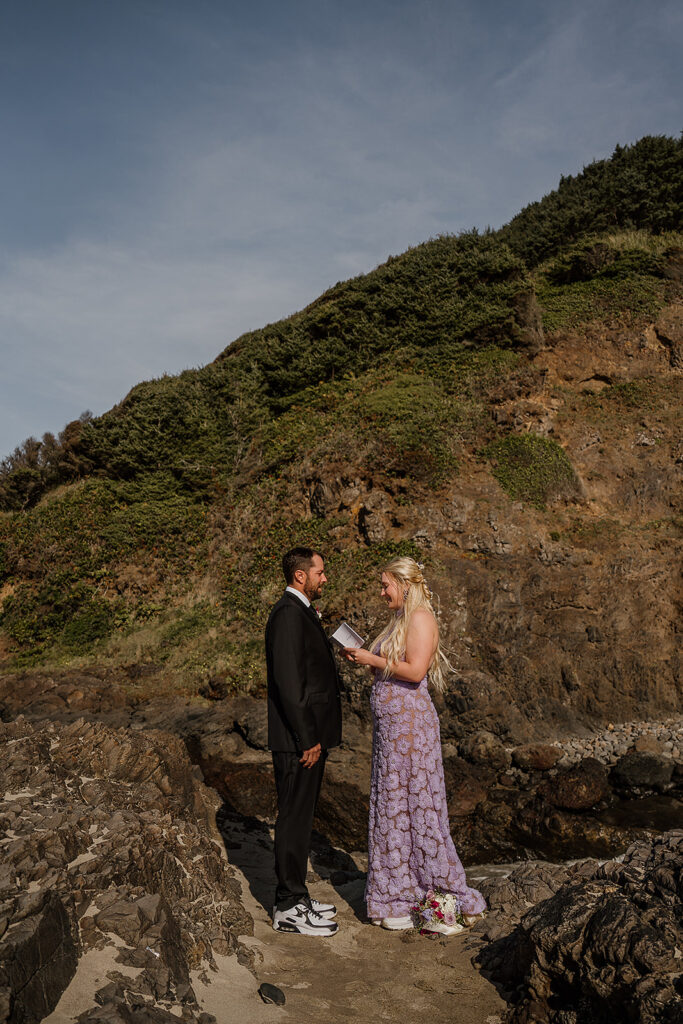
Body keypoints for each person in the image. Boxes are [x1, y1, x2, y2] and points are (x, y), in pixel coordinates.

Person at [344, 556, 486, 931]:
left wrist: (369, 658)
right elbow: (394, 664)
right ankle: (397, 895)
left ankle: (435, 895)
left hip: (410, 731)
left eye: (386, 584)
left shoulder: (421, 618)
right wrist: (369, 659)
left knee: (415, 805)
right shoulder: (399, 619)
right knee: (394, 806)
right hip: (393, 733)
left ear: (405, 585)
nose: (382, 591)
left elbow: (416, 670)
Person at [265, 546, 342, 936]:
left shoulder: (300, 612)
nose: (324, 578)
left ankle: (297, 894)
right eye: (320, 572)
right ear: (301, 576)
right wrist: (307, 737)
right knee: (293, 820)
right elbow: (290, 682)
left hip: (307, 736)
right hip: (299, 739)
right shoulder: (288, 615)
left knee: (301, 818)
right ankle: (288, 906)